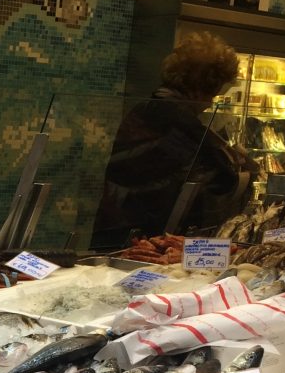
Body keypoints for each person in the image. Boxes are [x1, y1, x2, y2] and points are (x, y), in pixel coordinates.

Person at [92, 31, 254, 251]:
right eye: (212, 94)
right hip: (145, 237)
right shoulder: (179, 120)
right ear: (199, 87)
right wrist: (243, 165)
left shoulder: (146, 109)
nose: (209, 103)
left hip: (118, 229)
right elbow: (225, 180)